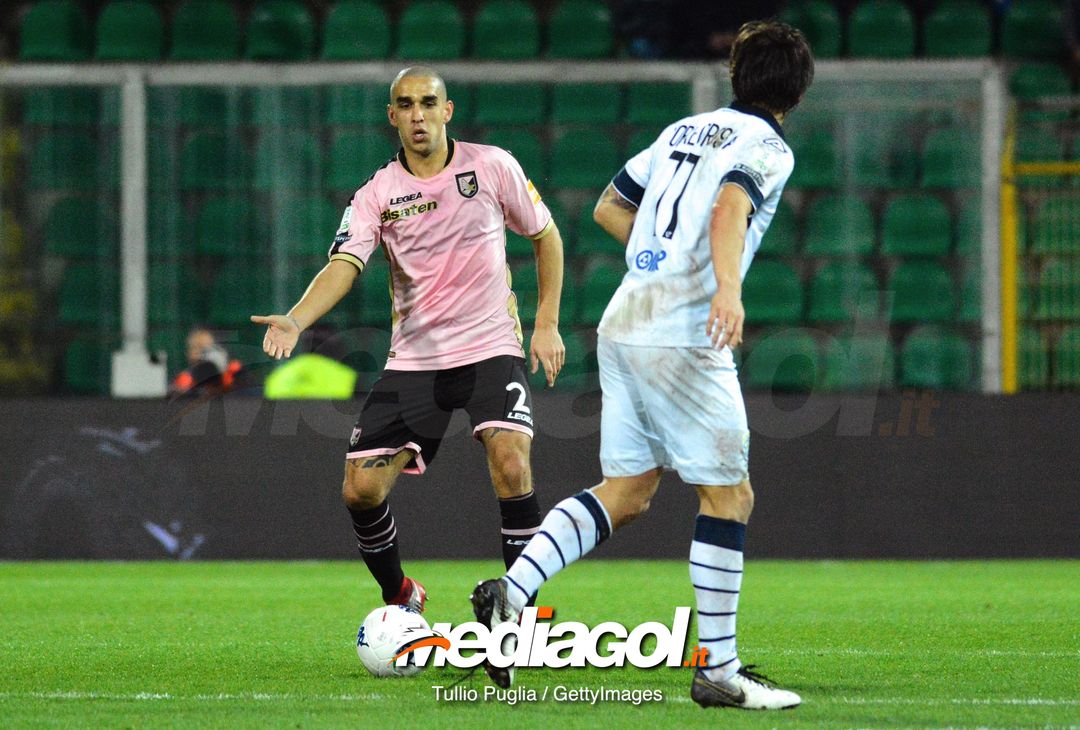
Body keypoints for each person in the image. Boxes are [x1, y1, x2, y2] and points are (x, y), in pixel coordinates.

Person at [470, 21, 813, 710]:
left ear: (735, 76)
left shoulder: (683, 131)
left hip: (627, 322)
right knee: (729, 496)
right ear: (797, 91)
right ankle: (719, 671)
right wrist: (725, 286)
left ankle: (512, 593)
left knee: (626, 491)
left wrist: (664, 257)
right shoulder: (768, 147)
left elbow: (608, 207)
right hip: (684, 333)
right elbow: (728, 207)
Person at [251, 66, 566, 614]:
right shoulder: (377, 194)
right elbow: (345, 264)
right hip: (417, 360)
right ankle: (400, 593)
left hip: (491, 347)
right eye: (405, 104)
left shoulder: (493, 166)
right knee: (360, 491)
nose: (417, 114)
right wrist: (297, 320)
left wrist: (546, 322)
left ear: (448, 111)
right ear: (391, 116)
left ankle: (519, 612)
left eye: (428, 102)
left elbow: (546, 236)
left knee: (512, 462)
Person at [170, 326, 243, 397]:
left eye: (211, 349)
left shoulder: (233, 372)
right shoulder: (185, 380)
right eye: (199, 348)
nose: (207, 355)